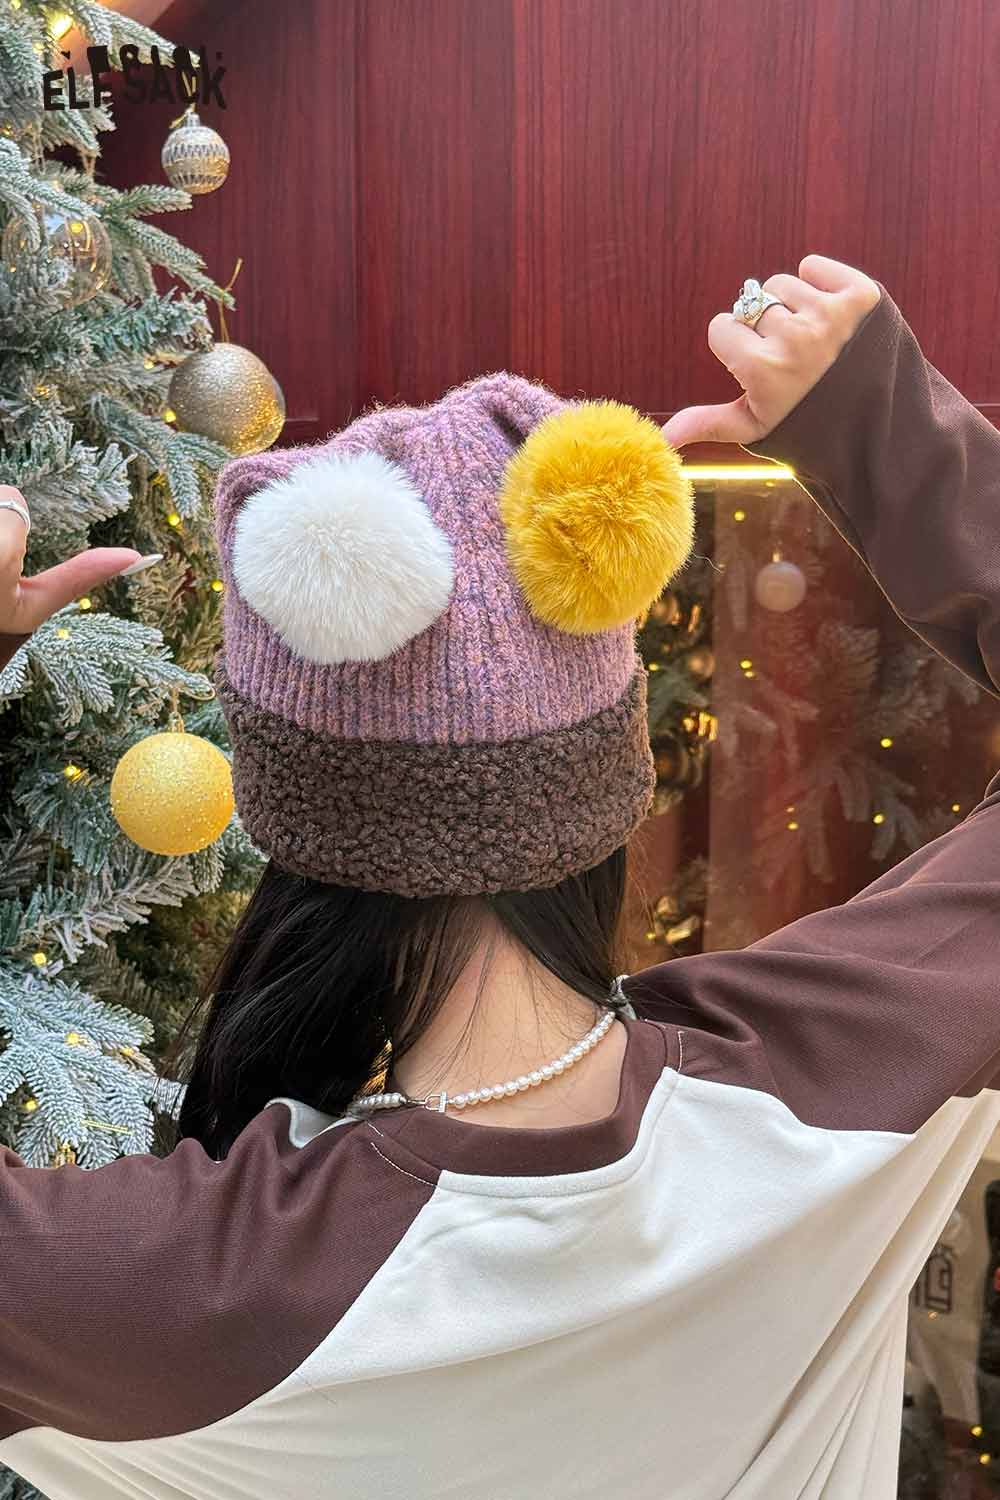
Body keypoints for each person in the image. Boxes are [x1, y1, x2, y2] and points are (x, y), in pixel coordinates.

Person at [0, 252, 992, 1499]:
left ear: (296, 831)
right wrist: (876, 422)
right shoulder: (843, 1084)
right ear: (608, 784)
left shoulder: (183, 1295)